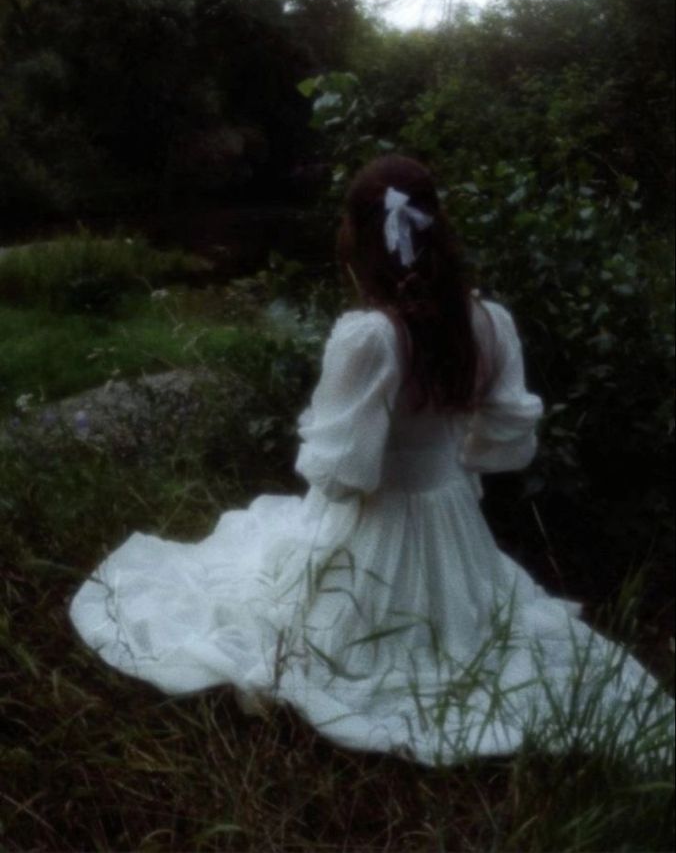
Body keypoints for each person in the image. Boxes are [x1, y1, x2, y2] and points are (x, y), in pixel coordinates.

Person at [70, 155, 673, 767]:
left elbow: (342, 473)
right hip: (452, 516)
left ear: (356, 238)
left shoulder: (371, 336)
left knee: (302, 622)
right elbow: (507, 433)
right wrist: (451, 463)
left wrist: (358, 473)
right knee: (473, 625)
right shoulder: (487, 320)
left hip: (379, 520)